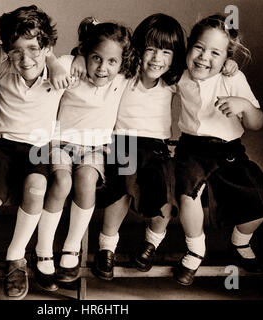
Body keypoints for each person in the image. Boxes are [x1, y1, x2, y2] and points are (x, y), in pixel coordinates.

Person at [0, 5, 74, 299]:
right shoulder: (1, 65)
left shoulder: (61, 71)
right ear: (6, 50)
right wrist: (42, 54)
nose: (25, 58)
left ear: (47, 46)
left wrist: (52, 59)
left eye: (33, 49)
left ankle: (16, 258)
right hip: (0, 144)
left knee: (38, 185)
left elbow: (94, 43)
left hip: (38, 146)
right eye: (15, 50)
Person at [173, 14, 263, 286]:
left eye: (215, 53)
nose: (203, 57)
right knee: (188, 193)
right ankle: (196, 248)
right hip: (192, 149)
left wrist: (243, 106)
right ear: (188, 48)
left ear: (226, 60)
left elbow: (257, 122)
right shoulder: (180, 76)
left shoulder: (232, 78)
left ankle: (239, 241)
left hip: (229, 151)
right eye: (198, 47)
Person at [32, 17, 136, 287]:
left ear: (121, 63)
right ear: (86, 54)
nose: (103, 67)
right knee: (62, 181)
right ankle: (42, 250)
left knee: (86, 180)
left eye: (112, 61)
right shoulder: (71, 68)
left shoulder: (123, 79)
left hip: (94, 146)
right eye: (96, 58)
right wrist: (73, 56)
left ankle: (71, 247)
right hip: (59, 143)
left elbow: (155, 66)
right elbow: (46, 55)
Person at [90, 13, 186, 281]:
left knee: (165, 195)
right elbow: (95, 52)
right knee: (120, 188)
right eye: (151, 49)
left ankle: (151, 243)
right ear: (138, 50)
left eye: (166, 52)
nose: (157, 59)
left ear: (175, 57)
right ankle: (106, 247)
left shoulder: (173, 83)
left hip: (157, 148)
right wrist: (77, 57)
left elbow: (205, 75)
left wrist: (229, 67)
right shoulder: (123, 76)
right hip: (122, 141)